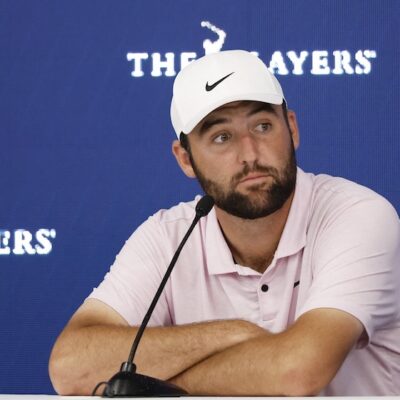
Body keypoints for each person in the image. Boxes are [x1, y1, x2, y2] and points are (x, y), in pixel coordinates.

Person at [49, 50, 400, 396]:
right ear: (185, 159)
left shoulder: (356, 214)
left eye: (263, 126)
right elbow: (71, 366)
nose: (249, 153)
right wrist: (232, 333)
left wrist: (155, 386)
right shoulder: (168, 235)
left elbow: (298, 370)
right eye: (222, 137)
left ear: (291, 129)